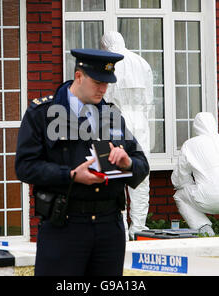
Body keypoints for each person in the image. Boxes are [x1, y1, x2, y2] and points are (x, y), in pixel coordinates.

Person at [15, 48, 149, 276]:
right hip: (65, 226)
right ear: (79, 76)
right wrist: (69, 175)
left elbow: (142, 163)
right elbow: (25, 167)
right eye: (97, 82)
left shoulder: (111, 115)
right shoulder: (43, 113)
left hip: (109, 227)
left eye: (107, 83)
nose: (103, 89)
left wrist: (127, 163)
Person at [100, 31, 154, 240]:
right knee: (141, 173)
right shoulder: (142, 62)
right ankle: (139, 226)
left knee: (114, 171)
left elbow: (105, 95)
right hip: (141, 120)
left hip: (114, 119)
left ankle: (120, 225)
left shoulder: (109, 62)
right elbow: (149, 97)